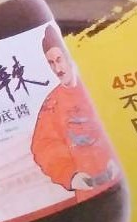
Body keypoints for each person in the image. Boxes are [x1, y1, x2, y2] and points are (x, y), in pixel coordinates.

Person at [31, 26, 121, 201]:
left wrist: (119, 156)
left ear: (69, 57)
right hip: (89, 193)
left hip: (124, 176)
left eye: (59, 60)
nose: (58, 68)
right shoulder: (52, 104)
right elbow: (44, 146)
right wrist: (71, 175)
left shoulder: (97, 84)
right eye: (51, 63)